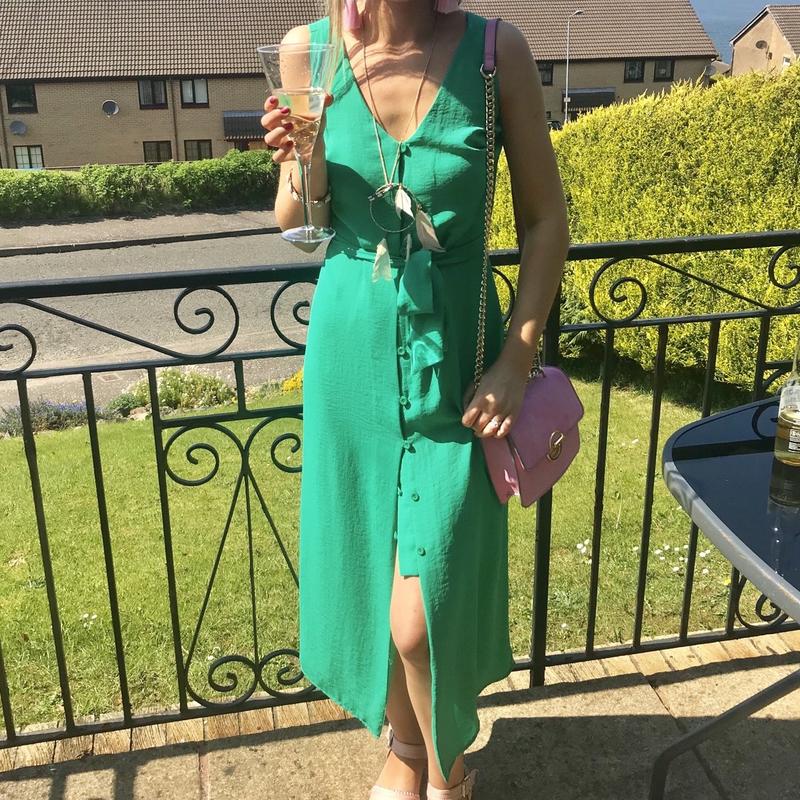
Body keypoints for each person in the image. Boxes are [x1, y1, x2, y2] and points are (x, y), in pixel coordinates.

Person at [262, 0, 568, 796]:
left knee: (420, 618)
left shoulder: (497, 53)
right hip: (352, 361)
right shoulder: (307, 51)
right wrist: (306, 155)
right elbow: (300, 223)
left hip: (462, 368)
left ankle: (445, 776)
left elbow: (545, 222)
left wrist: (516, 359)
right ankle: (409, 752)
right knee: (369, 574)